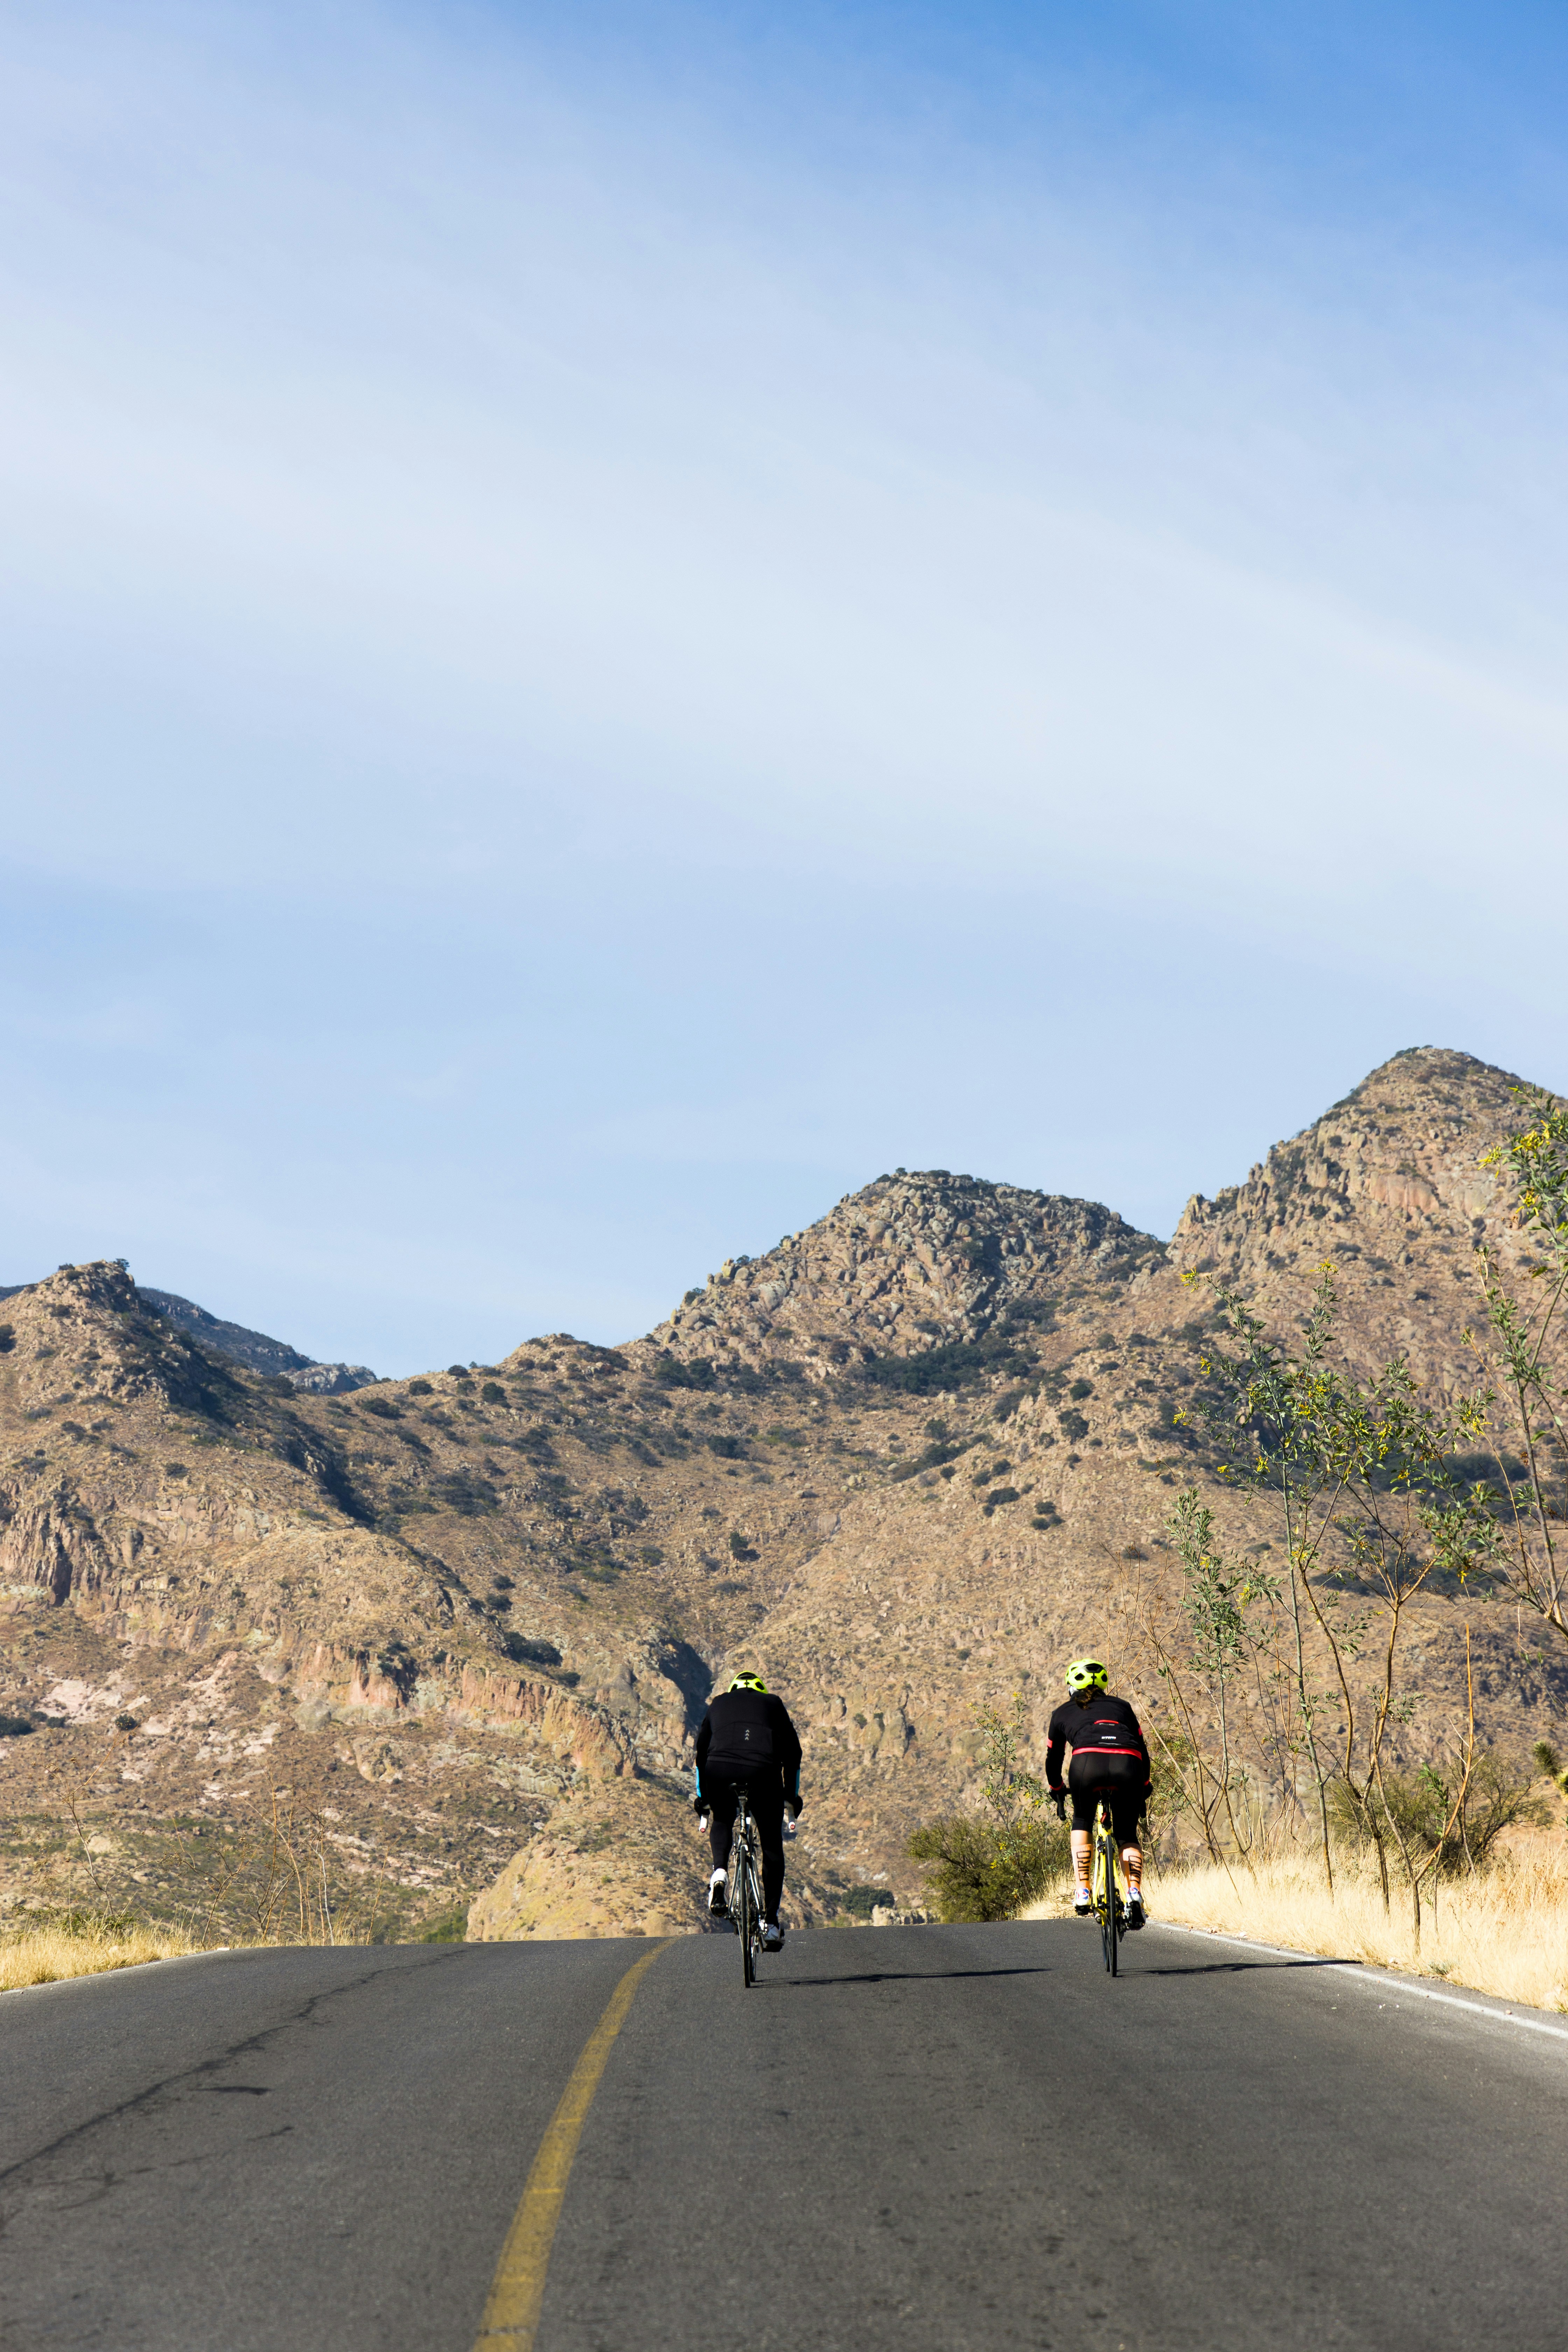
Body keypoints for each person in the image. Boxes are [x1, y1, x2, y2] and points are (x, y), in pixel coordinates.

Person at [693, 1670, 803, 1950]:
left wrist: (703, 1797)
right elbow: (793, 1754)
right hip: (763, 1772)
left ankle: (720, 1873)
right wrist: (791, 1796)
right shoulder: (774, 1703)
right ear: (760, 1690)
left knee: (722, 1819)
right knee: (771, 1844)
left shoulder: (718, 1703)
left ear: (733, 1690)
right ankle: (771, 1922)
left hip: (718, 1769)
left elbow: (701, 1753)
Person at [1045, 1658, 1152, 1929]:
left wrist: (1057, 1789)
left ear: (1070, 1686)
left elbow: (1053, 1760)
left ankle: (1083, 1891)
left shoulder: (1061, 1713)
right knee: (1127, 1835)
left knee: (1082, 1819)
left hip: (1086, 1765)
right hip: (1129, 1765)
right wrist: (1145, 1785)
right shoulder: (1123, 1707)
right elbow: (1143, 1749)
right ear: (1104, 1684)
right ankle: (1134, 1894)